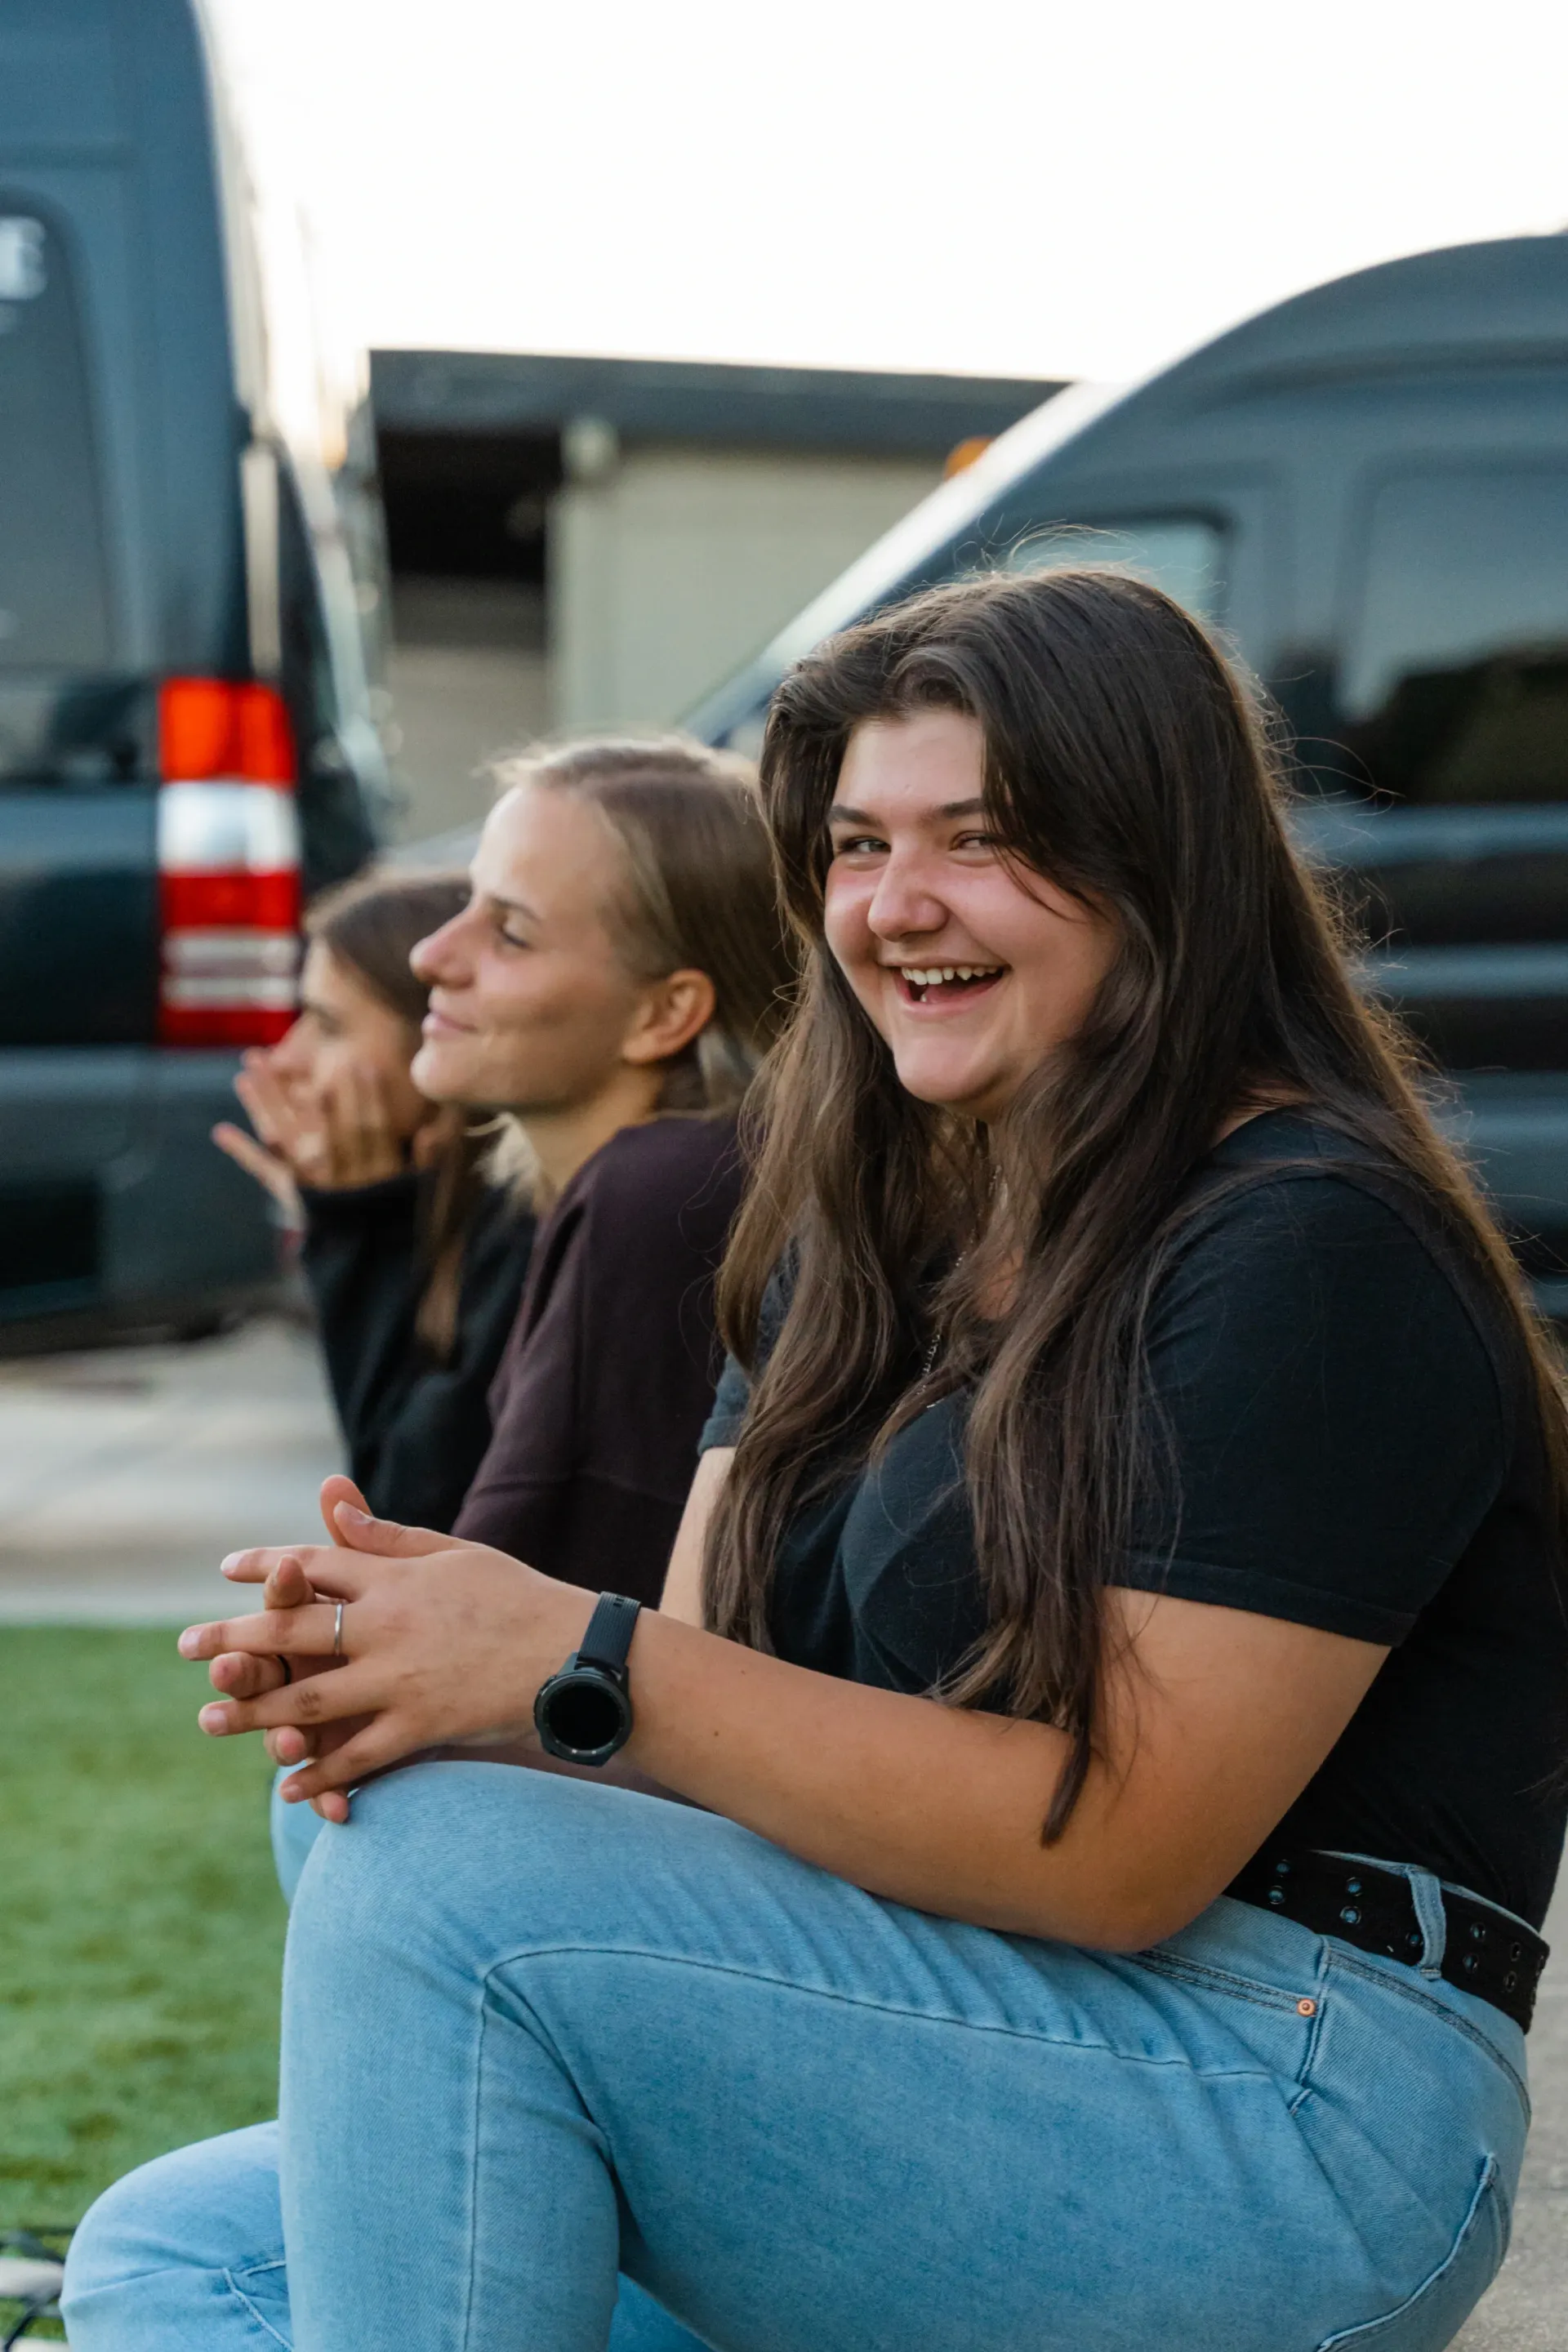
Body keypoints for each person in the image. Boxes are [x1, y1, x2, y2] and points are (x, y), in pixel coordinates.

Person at [66, 570, 1568, 2352]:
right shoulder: (852, 1242)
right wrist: (426, 1664)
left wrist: (576, 1663)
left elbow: (1128, 1852)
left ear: (1165, 865)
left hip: (1281, 2096)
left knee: (448, 1879)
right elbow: (703, 1698)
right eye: (856, 846)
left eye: (981, 839)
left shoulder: (1308, 1240)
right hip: (934, 2014)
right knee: (185, 2238)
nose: (894, 905)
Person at [215, 870, 536, 1533]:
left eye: (328, 1026)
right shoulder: (469, 1219)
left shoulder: (528, 1227)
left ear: (440, 1037)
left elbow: (399, 1515)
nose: (286, 1058)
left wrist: (359, 1230)